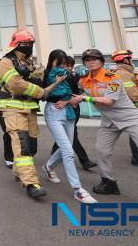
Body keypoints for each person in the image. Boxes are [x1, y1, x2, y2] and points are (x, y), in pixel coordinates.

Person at [69, 49, 138, 213]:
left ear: (102, 61)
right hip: (109, 121)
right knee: (101, 151)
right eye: (87, 59)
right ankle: (108, 182)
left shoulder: (113, 78)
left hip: (131, 118)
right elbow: (76, 93)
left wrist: (83, 98)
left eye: (94, 59)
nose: (90, 61)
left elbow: (108, 101)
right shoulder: (84, 81)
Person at [0, 29, 66, 198]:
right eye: (25, 44)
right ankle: (31, 183)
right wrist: (41, 92)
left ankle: (18, 171)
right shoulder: (5, 62)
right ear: (16, 45)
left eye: (31, 44)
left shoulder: (29, 63)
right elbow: (16, 85)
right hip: (12, 107)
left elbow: (38, 79)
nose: (29, 47)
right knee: (23, 146)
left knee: (32, 146)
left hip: (29, 108)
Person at [41, 50, 97, 204]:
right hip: (53, 112)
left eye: (63, 63)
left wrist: (67, 101)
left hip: (69, 112)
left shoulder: (71, 75)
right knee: (67, 150)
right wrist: (57, 82)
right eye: (57, 63)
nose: (61, 66)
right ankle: (78, 190)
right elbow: (42, 95)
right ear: (51, 61)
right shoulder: (45, 74)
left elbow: (75, 94)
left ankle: (48, 166)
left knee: (67, 147)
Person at [50, 56, 97, 170]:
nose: (70, 68)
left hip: (75, 108)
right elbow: (57, 93)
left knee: (66, 134)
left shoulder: (75, 76)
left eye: (71, 65)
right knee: (72, 135)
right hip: (63, 108)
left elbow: (78, 91)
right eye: (67, 65)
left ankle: (54, 153)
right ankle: (85, 161)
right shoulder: (56, 76)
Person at [110, 50, 138, 167]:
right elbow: (132, 94)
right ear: (125, 60)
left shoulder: (125, 72)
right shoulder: (123, 74)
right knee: (137, 133)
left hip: (132, 108)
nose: (132, 61)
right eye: (130, 59)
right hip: (133, 108)